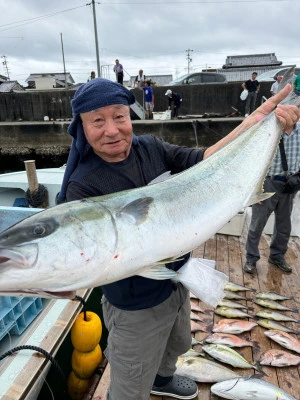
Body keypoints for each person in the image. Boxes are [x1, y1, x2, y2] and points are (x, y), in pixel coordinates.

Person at [57, 78, 299, 400]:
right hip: (135, 306)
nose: (112, 130)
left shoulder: (150, 147)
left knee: (179, 343)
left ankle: (163, 378)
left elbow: (206, 160)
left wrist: (255, 125)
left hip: (176, 282)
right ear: (82, 128)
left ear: (130, 117)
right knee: (130, 385)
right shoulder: (82, 186)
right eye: (97, 121)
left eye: (119, 116)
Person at [243, 119, 300, 274]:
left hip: (290, 185)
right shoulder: (270, 130)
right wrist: (256, 191)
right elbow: (253, 161)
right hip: (267, 182)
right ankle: (251, 258)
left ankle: (277, 255)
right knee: (257, 224)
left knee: (284, 226)